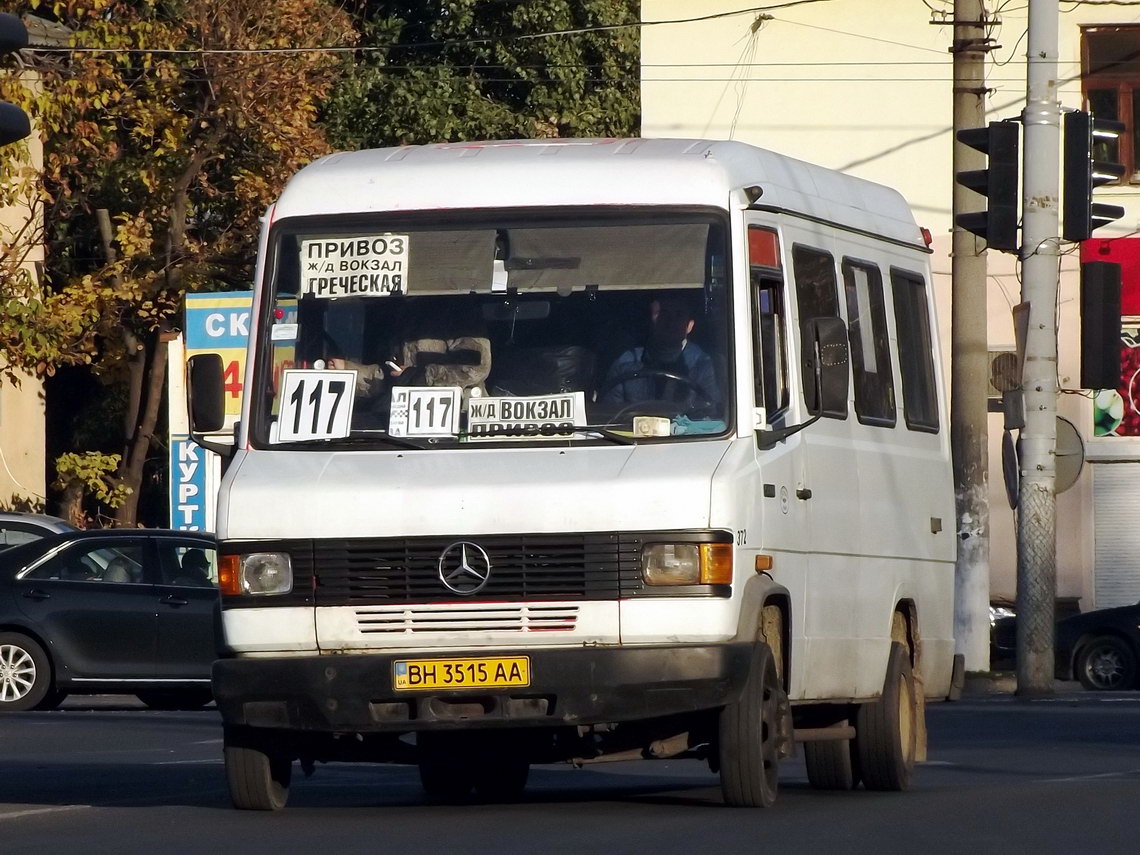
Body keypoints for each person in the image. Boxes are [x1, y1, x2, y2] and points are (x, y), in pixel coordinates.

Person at [331, 298, 491, 399]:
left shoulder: (458, 305)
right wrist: (348, 371)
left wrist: (420, 376)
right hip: (401, 431)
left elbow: (476, 366)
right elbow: (391, 378)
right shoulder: (396, 313)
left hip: (460, 425)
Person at [600, 294, 720, 410]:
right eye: (663, 314)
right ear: (651, 320)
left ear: (689, 325)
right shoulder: (624, 364)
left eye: (678, 315)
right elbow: (610, 415)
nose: (670, 322)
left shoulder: (705, 365)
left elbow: (711, 415)